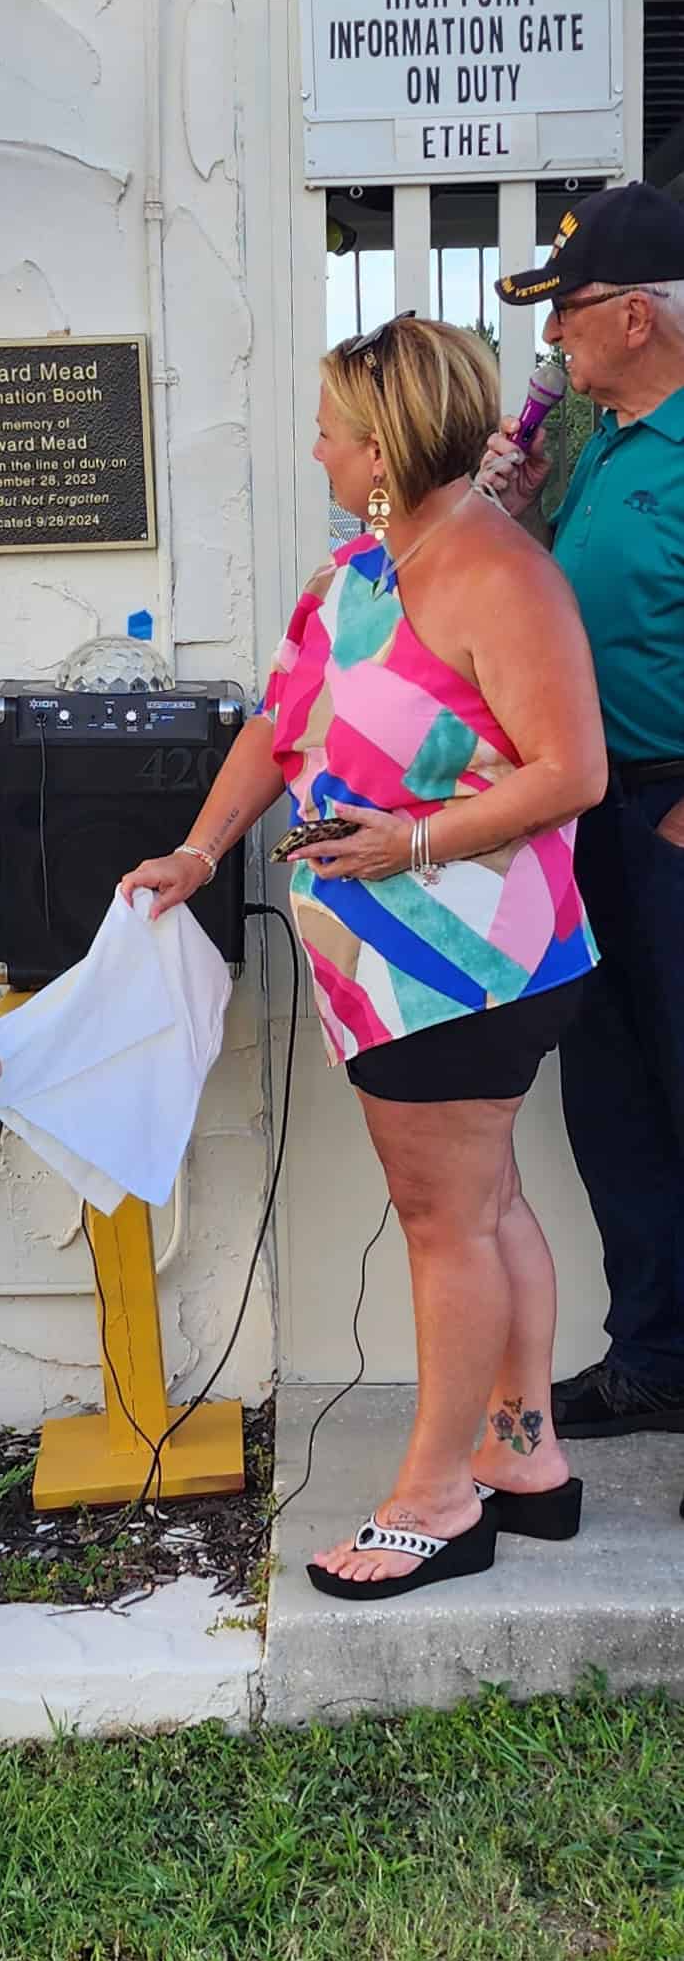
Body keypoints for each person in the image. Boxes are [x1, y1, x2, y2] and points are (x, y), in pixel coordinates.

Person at [122, 315, 606, 1600]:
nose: (319, 448)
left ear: (382, 444)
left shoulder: (501, 575)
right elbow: (277, 729)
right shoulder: (360, 571)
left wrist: (416, 840)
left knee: (445, 1220)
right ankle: (524, 1458)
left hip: (466, 962)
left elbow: (574, 772)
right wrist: (200, 850)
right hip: (390, 959)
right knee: (483, 1206)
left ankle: (437, 1495)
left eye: (332, 428)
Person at [486, 182, 684, 1455]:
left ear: (632, 315)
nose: (549, 340)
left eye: (563, 314)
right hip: (586, 810)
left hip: (671, 811)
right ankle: (656, 1354)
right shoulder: (587, 443)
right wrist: (511, 513)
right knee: (610, 1092)